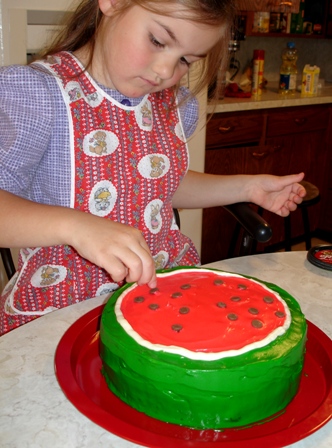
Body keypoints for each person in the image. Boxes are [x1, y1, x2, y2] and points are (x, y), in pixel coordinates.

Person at [0, 0, 306, 335]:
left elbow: (156, 185)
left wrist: (246, 187)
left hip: (158, 289)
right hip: (66, 306)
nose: (165, 71)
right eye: (158, 41)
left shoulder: (167, 103)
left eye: (185, 60)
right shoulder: (37, 95)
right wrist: (78, 227)